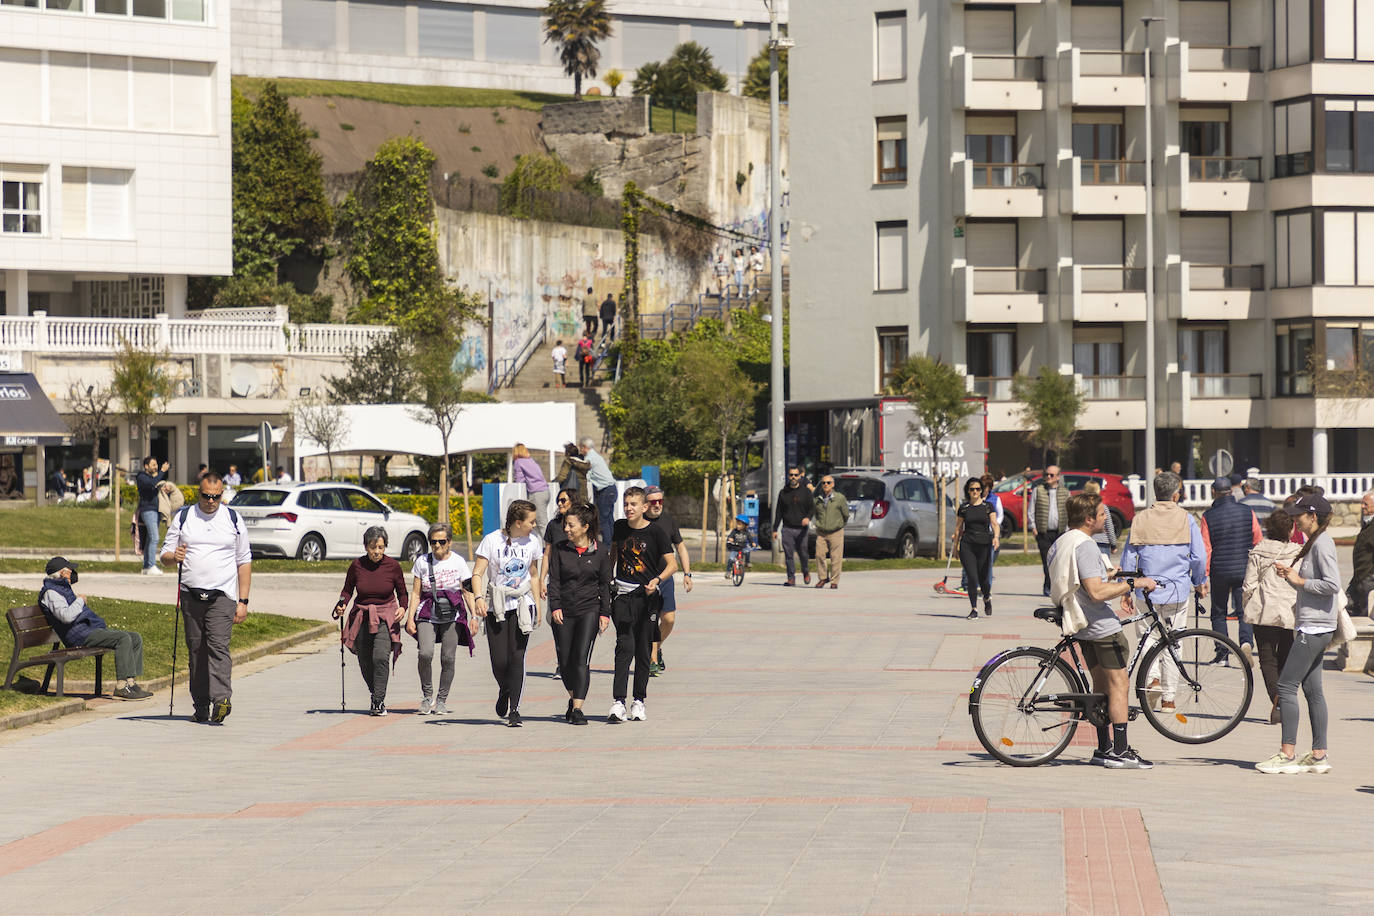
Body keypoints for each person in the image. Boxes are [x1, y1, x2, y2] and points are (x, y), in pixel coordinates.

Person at [1048, 493, 1158, 769]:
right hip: (1101, 627)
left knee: (1100, 688)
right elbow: (1096, 593)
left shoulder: (1063, 541)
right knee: (1119, 686)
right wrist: (1134, 584)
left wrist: (1111, 574)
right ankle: (1120, 751)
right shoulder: (1084, 545)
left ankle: (1102, 748)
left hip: (1082, 626)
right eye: (1100, 514)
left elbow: (1083, 579)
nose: (1105, 517)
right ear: (1088, 519)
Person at [1257, 493, 1341, 774]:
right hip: (1315, 623)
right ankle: (1318, 756)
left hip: (1315, 626)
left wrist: (1299, 580)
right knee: (1313, 690)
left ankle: (1287, 754)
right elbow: (1310, 586)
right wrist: (1292, 579)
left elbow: (1331, 585)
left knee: (1285, 686)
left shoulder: (1322, 544)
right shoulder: (1313, 543)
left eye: (1299, 514)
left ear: (1313, 516)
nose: (1294, 518)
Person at [160, 473, 252, 724]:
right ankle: (201, 705)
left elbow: (244, 561)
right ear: (197, 494)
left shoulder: (232, 519)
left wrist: (243, 601)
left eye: (216, 496)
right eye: (206, 496)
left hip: (222, 595)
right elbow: (164, 555)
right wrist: (173, 557)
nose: (211, 501)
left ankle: (221, 699)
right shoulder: (185, 516)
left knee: (218, 646)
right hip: (190, 594)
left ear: (222, 494)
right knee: (197, 650)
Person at [1118, 471, 1208, 714]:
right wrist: (1200, 581)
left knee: (1148, 637)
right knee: (1173, 641)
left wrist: (1126, 586)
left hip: (1146, 589)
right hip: (1177, 590)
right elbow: (1199, 557)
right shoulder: (1186, 519)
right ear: (1176, 494)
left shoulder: (1140, 519)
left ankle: (1152, 680)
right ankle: (1169, 699)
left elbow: (1129, 556)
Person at [607, 487, 677, 722]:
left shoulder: (656, 532)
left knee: (643, 651)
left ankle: (639, 701)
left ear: (644, 507)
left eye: (633, 504)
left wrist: (656, 580)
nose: (629, 508)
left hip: (647, 598)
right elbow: (613, 555)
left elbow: (672, 564)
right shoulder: (619, 527)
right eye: (626, 504)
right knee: (623, 647)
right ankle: (618, 702)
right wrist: (606, 578)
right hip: (623, 596)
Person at [38, 557, 152, 700]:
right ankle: (122, 687)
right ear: (61, 573)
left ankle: (130, 683)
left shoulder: (61, 588)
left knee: (135, 637)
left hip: (86, 630)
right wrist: (80, 600)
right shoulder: (51, 593)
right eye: (69, 571)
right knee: (123, 639)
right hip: (78, 636)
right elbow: (66, 616)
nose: (73, 573)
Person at [472, 500, 543, 727]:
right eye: (531, 521)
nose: (535, 525)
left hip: (523, 604)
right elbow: (477, 574)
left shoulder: (533, 541)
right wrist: (479, 598)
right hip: (497, 606)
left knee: (516, 657)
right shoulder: (492, 540)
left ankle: (515, 710)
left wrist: (538, 607)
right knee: (499, 661)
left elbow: (533, 574)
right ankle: (505, 689)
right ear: (518, 522)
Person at [546, 503, 612, 725]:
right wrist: (555, 606)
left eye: (571, 525)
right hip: (564, 611)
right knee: (565, 662)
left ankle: (577, 709)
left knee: (581, 659)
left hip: (589, 610)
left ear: (585, 527)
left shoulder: (602, 551)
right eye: (565, 525)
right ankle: (573, 697)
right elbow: (553, 580)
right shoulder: (559, 548)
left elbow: (605, 585)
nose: (566, 529)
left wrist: (605, 613)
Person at [403, 523, 475, 715]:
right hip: (427, 613)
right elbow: (416, 593)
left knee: (448, 658)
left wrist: (474, 616)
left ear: (449, 542)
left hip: (453, 614)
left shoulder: (459, 562)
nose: (437, 545)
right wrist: (410, 619)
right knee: (425, 653)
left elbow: (467, 591)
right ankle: (428, 696)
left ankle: (442, 700)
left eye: (441, 541)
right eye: (433, 542)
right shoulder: (422, 562)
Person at [335, 526, 407, 716]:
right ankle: (375, 692)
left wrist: (403, 608)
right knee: (365, 660)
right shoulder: (357, 566)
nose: (377, 552)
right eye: (373, 547)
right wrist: (341, 604)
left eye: (381, 548)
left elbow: (402, 592)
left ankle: (378, 701)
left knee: (380, 657)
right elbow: (347, 590)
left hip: (386, 616)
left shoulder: (393, 566)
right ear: (366, 546)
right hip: (362, 616)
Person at [1242, 511, 1301, 725]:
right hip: (1288, 611)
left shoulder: (1258, 551)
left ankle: (1277, 702)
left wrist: (1246, 606)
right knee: (1285, 656)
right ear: (1291, 529)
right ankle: (1282, 700)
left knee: (1267, 658)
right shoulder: (1298, 552)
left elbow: (1249, 585)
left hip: (1263, 611)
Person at [1199, 475, 1262, 664]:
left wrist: (1203, 577)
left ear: (1213, 492)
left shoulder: (1208, 516)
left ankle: (1223, 653)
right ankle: (1246, 643)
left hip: (1220, 570)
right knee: (1244, 610)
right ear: (1232, 491)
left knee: (1219, 612)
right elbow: (1257, 539)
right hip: (1244, 568)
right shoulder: (1247, 511)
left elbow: (1206, 548)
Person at [644, 485, 692, 675]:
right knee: (650, 620)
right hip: (645, 579)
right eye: (653, 502)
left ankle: (657, 648)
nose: (657, 505)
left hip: (665, 577)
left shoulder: (669, 521)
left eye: (660, 501)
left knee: (669, 619)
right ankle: (652, 659)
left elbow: (680, 547)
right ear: (645, 504)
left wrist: (687, 574)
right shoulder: (639, 521)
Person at [953, 477, 999, 619]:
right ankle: (974, 609)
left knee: (984, 579)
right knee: (972, 578)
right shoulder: (964, 508)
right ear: (968, 491)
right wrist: (955, 546)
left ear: (981, 491)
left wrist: (996, 537)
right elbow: (958, 528)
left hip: (984, 545)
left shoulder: (988, 507)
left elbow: (994, 524)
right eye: (972, 489)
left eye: (978, 489)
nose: (975, 491)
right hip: (967, 545)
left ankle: (986, 597)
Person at [1027, 465, 1068, 597]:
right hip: (1043, 533)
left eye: (1051, 475)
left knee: (1059, 562)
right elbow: (1031, 510)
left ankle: (1056, 587)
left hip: (1060, 533)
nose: (1048, 477)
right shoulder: (1038, 490)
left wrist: (1067, 530)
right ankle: (1048, 586)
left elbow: (1069, 512)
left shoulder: (1065, 492)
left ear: (1058, 477)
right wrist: (1033, 527)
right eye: (1046, 475)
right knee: (1047, 562)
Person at [773, 466, 814, 586]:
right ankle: (791, 578)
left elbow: (812, 508)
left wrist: (808, 518)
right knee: (788, 554)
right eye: (791, 475)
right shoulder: (783, 492)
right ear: (788, 476)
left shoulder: (806, 492)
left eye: (796, 475)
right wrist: (775, 529)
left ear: (799, 477)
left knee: (803, 553)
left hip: (802, 529)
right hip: (787, 528)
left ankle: (805, 571)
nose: (793, 477)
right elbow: (778, 512)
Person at [812, 474, 849, 589]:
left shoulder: (839, 498)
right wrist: (818, 524)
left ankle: (834, 581)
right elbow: (816, 514)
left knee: (836, 557)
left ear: (833, 485)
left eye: (828, 483)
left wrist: (839, 524)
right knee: (819, 555)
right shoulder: (817, 500)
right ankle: (823, 578)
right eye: (823, 483)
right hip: (821, 532)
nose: (826, 485)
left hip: (836, 532)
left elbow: (846, 515)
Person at [135, 456, 170, 575]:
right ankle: (151, 565)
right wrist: (162, 471)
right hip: (147, 510)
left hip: (155, 510)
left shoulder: (151, 477)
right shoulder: (142, 476)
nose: (156, 467)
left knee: (150, 538)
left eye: (156, 465)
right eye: (153, 465)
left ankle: (146, 566)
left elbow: (155, 484)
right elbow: (152, 484)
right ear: (146, 466)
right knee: (155, 537)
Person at [580, 437, 616, 543]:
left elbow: (586, 475)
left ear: (585, 447)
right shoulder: (597, 456)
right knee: (609, 519)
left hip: (604, 490)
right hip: (612, 489)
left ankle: (607, 545)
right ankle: (614, 543)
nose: (580, 450)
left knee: (603, 520)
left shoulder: (589, 458)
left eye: (581, 448)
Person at [1346, 490, 1374, 617]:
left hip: (1368, 580)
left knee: (1365, 615)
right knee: (1346, 606)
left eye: (1365, 504)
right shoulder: (1367, 523)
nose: (1362, 506)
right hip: (1359, 578)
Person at [512, 443, 551, 530]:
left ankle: (548, 543)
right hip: (546, 491)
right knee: (539, 522)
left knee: (540, 523)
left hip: (536, 493)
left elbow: (519, 480)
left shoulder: (518, 462)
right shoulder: (531, 460)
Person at [1082, 481, 1116, 559]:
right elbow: (1109, 527)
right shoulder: (1103, 507)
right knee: (1104, 568)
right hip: (1103, 542)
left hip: (1087, 540)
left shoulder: (1082, 507)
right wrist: (1113, 544)